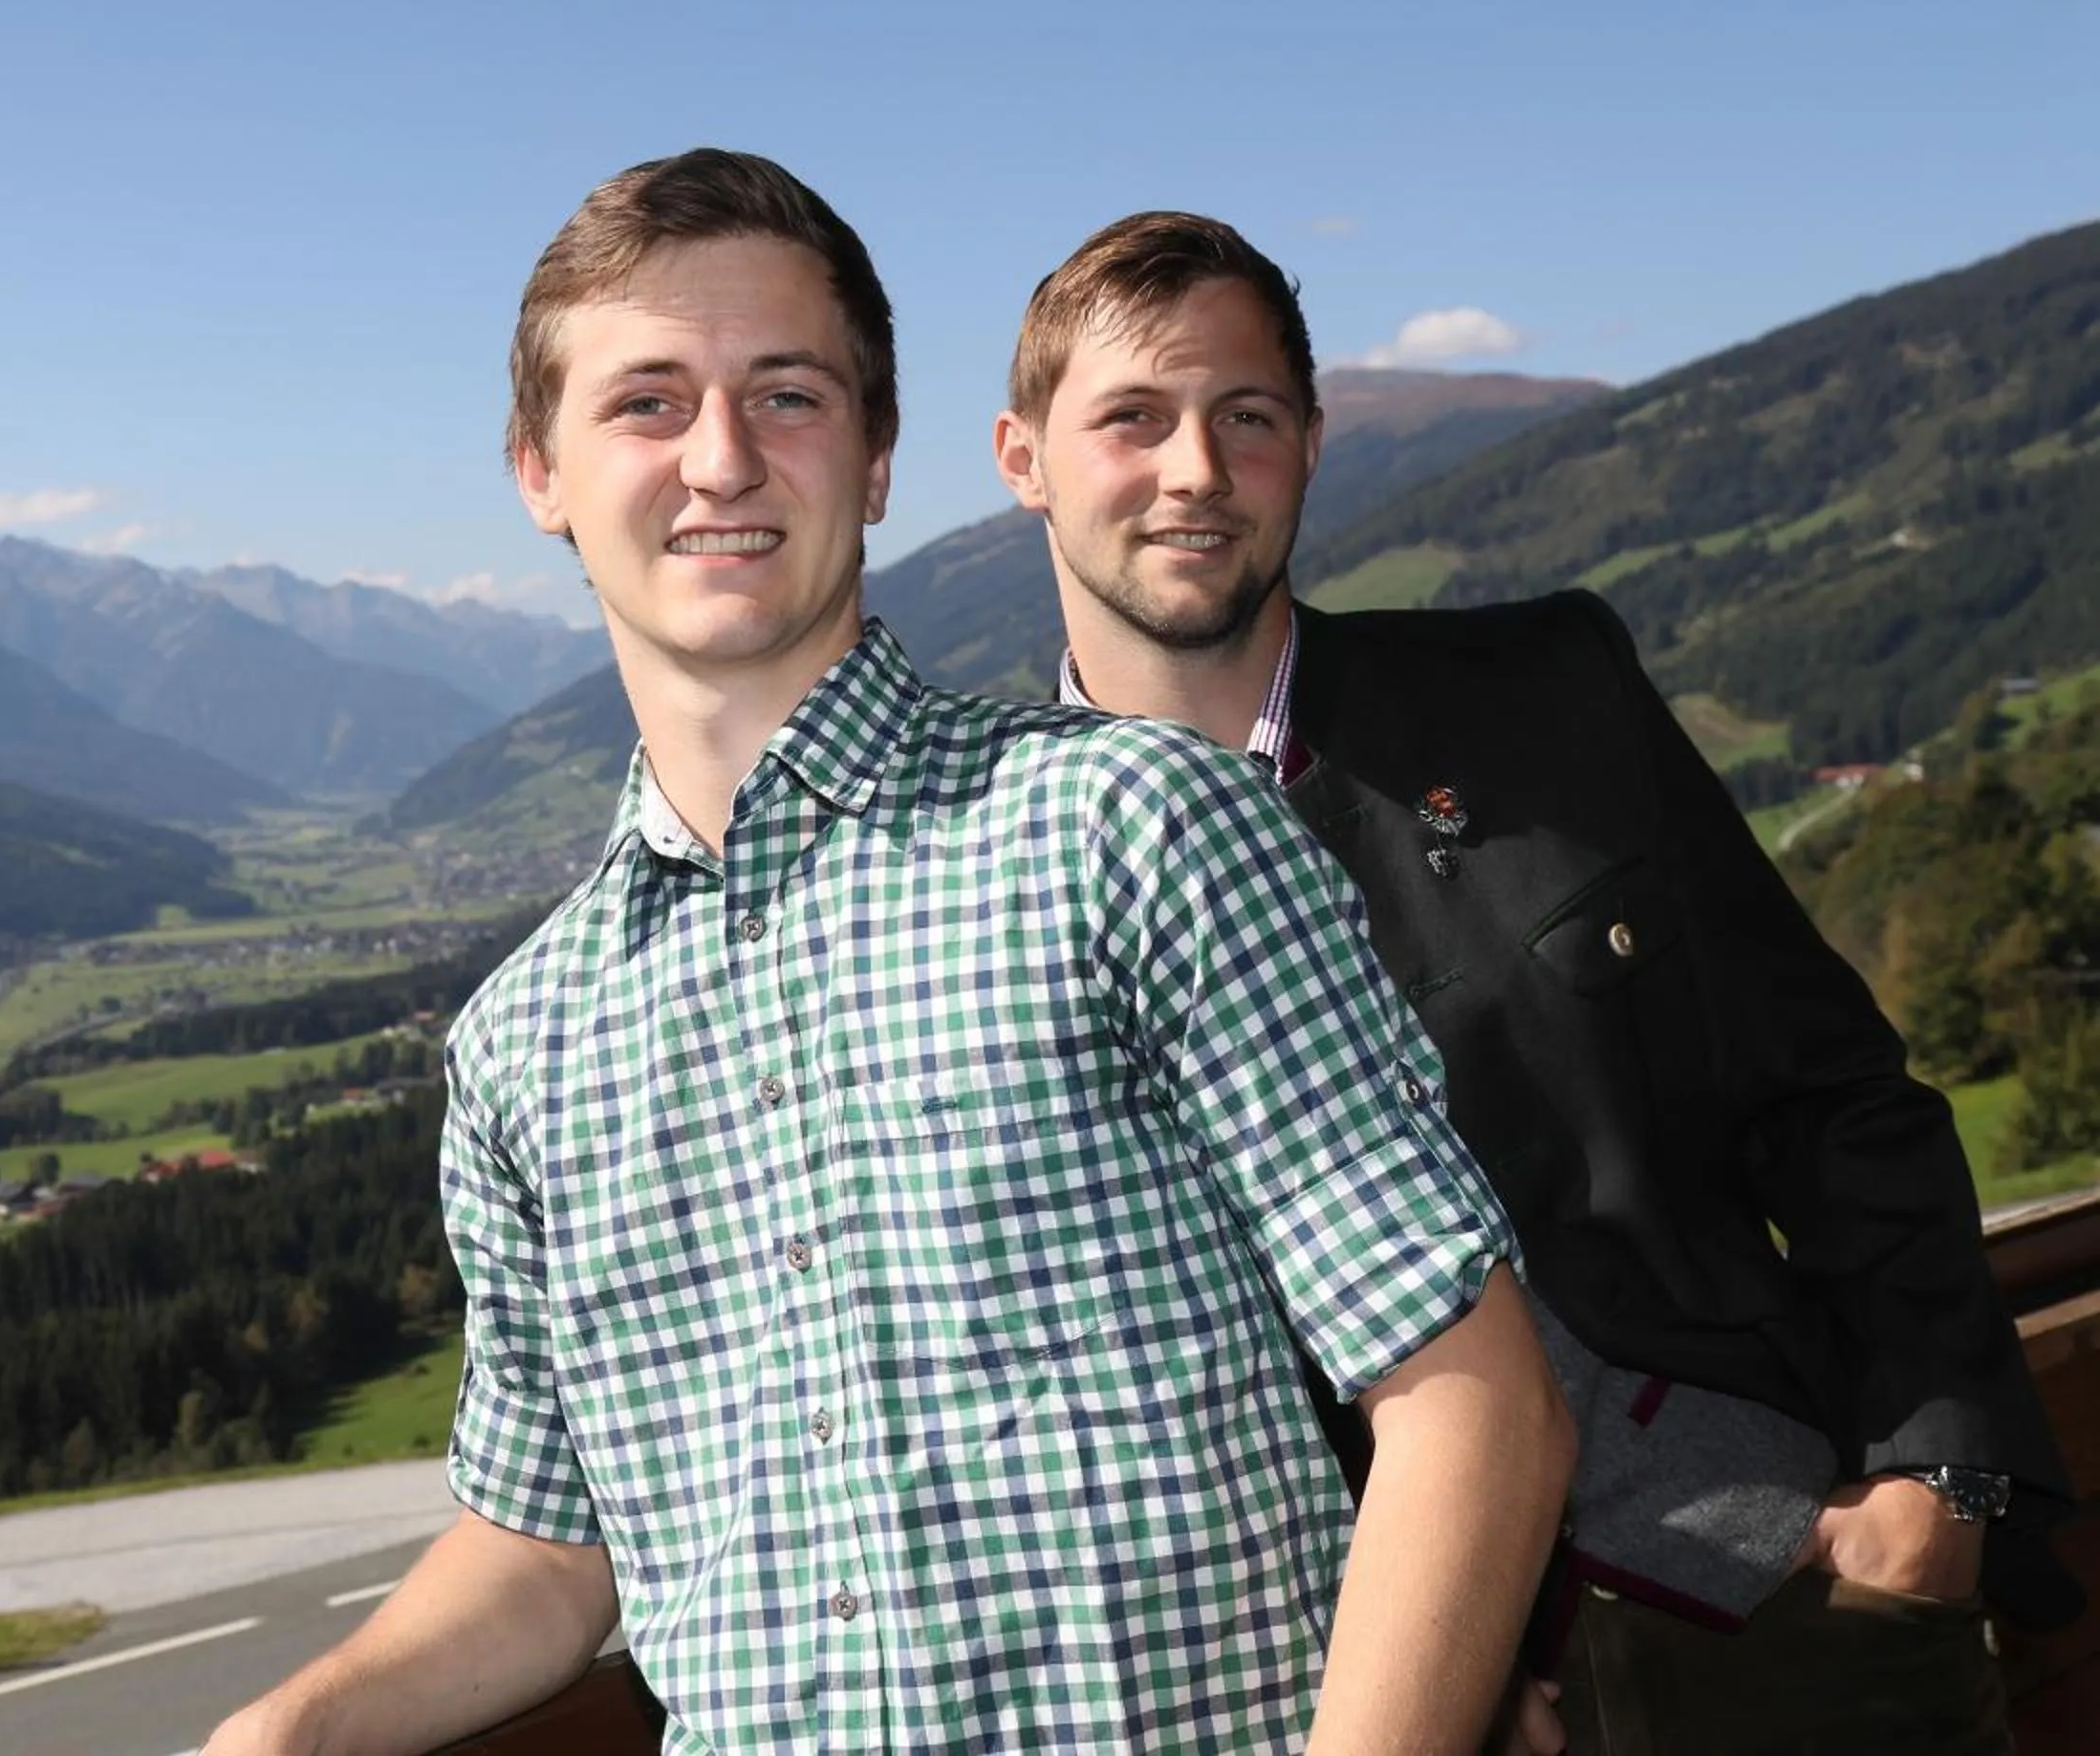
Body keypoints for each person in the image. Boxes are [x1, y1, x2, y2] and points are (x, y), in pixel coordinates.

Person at [205, 150, 1571, 1756]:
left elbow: (1474, 1407)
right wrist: (284, 1735)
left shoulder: (1133, 830)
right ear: (541, 474)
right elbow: (557, 1552)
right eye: (647, 402)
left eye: (785, 395)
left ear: (871, 462)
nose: (720, 458)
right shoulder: (524, 1046)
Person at [988, 209, 2074, 1754]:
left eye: (1246, 417)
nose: (1194, 472)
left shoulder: (1545, 698)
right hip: (1369, 1683)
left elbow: (1833, 1093)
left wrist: (1940, 1486)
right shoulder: (987, 882)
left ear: (1308, 440)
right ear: (1023, 456)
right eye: (1132, 420)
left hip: (1780, 1591)